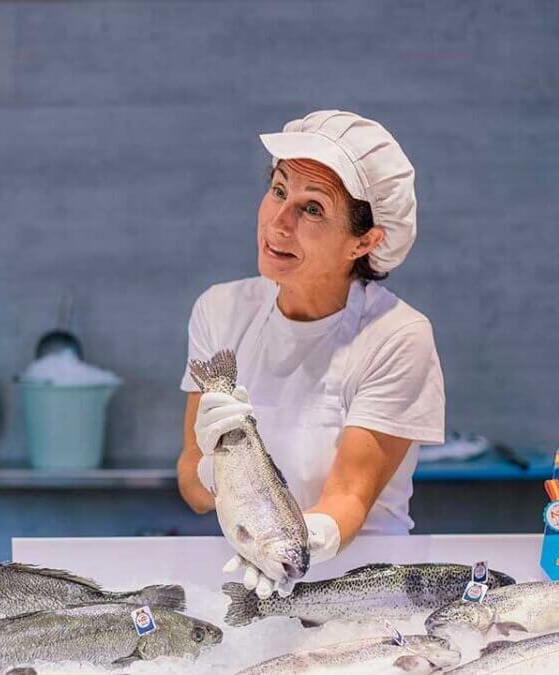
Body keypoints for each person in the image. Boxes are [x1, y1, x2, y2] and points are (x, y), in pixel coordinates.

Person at [177, 111, 445, 599]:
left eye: (313, 209)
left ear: (364, 241)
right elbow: (191, 484)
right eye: (279, 190)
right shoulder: (220, 311)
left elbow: (348, 497)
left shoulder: (398, 336)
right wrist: (209, 468)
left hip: (368, 592)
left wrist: (297, 544)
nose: (279, 223)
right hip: (248, 584)